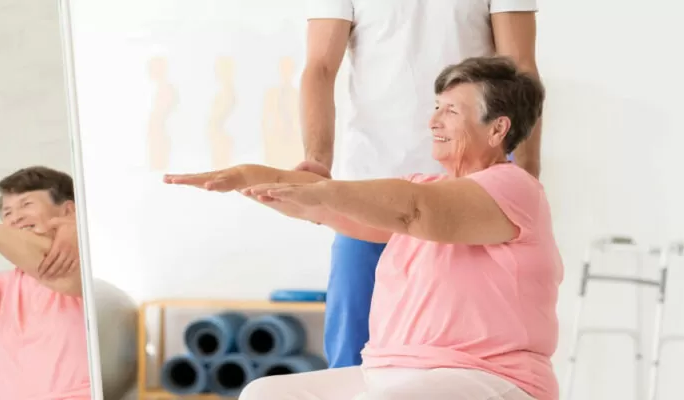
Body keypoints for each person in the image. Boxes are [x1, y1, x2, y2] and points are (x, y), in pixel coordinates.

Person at [165, 56, 561, 400]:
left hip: (490, 377)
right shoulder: (423, 187)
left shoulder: (513, 188)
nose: (433, 120)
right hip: (388, 371)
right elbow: (331, 208)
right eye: (437, 107)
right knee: (264, 393)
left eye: (451, 111)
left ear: (497, 129)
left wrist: (324, 193)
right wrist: (246, 176)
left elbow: (414, 210)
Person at [295, 0, 543, 368]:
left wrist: (526, 175)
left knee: (469, 352)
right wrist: (317, 160)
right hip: (370, 184)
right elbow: (319, 67)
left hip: (466, 192)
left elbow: (520, 69)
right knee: (352, 354)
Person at [0, 166, 90, 400]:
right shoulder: (5, 285)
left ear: (68, 211)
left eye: (26, 204)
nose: (15, 217)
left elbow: (53, 269)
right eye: (7, 213)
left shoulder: (89, 259)